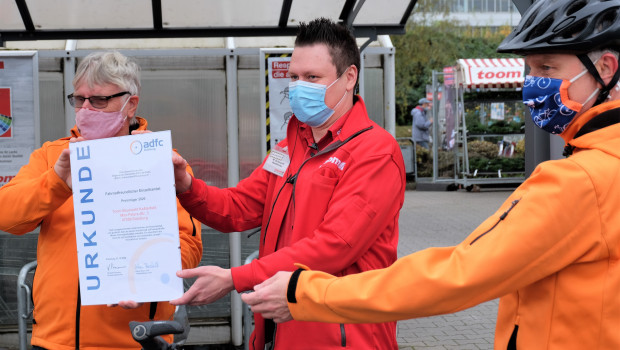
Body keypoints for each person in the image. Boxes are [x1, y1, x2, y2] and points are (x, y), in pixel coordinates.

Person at [240, 1, 620, 349]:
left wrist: (305, 293)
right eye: (531, 69)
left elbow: (459, 273)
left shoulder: (579, 181)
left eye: (547, 68)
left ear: (605, 69)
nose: (532, 84)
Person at [169, 18, 406, 350]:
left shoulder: (375, 153)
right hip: (279, 331)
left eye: (312, 78)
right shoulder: (290, 146)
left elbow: (333, 246)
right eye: (294, 77)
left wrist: (236, 278)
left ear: (349, 76)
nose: (299, 87)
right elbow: (237, 208)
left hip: (343, 337)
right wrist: (186, 186)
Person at [0, 51, 203, 350]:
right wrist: (56, 182)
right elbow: (7, 217)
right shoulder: (52, 156)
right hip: (55, 341)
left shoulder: (162, 161)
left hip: (136, 340)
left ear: (130, 104)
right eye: (79, 99)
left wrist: (145, 278)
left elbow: (189, 244)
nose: (85, 109)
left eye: (98, 100)